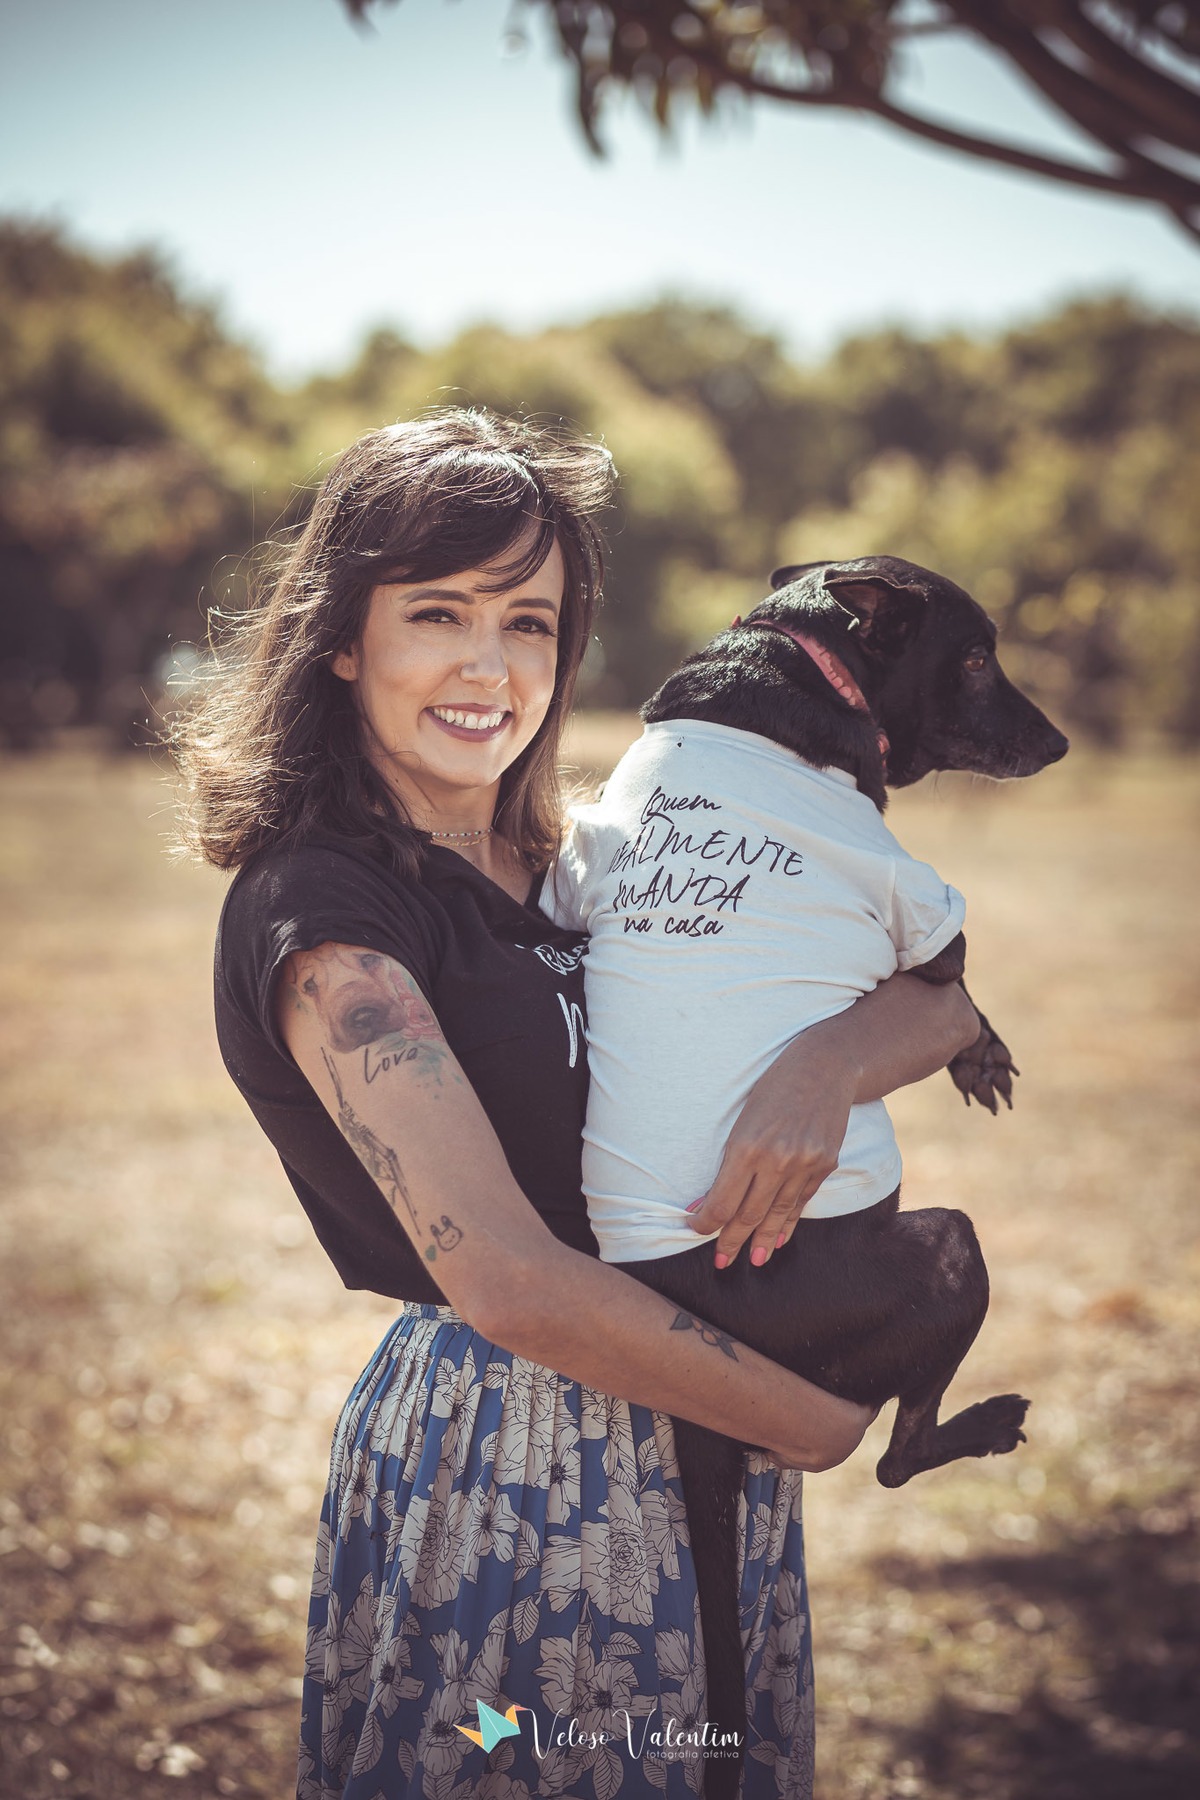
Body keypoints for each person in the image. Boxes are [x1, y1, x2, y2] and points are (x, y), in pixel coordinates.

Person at [172, 408, 977, 1800]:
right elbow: (505, 1280)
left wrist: (822, 1069)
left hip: (695, 1421)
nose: (492, 667)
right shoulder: (326, 914)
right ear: (341, 638)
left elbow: (945, 1001)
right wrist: (804, 1418)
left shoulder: (586, 863)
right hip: (514, 1461)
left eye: (531, 623)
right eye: (439, 614)